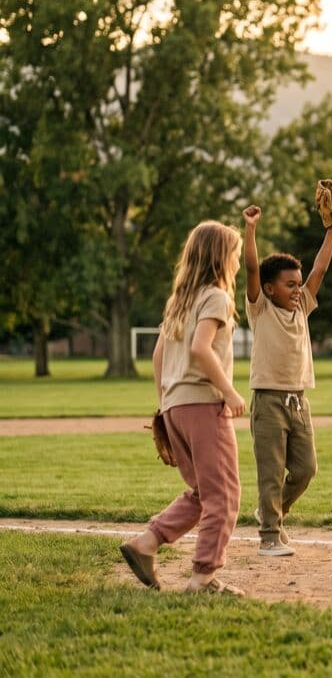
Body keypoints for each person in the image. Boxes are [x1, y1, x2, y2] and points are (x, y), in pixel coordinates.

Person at [119, 221, 247, 595]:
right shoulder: (216, 297)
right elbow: (200, 349)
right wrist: (229, 391)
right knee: (223, 495)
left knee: (202, 492)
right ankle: (203, 579)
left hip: (174, 407)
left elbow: (160, 355)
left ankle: (147, 542)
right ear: (221, 258)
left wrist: (165, 403)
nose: (237, 262)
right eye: (235, 254)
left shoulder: (179, 301)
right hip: (204, 405)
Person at [241, 204, 332, 557]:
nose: (298, 289)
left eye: (299, 284)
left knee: (305, 469)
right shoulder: (261, 308)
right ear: (269, 289)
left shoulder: (302, 306)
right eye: (290, 285)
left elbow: (321, 267)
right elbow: (252, 267)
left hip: (299, 401)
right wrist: (250, 229)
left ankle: (273, 512)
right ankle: (269, 535)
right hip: (268, 402)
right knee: (269, 473)